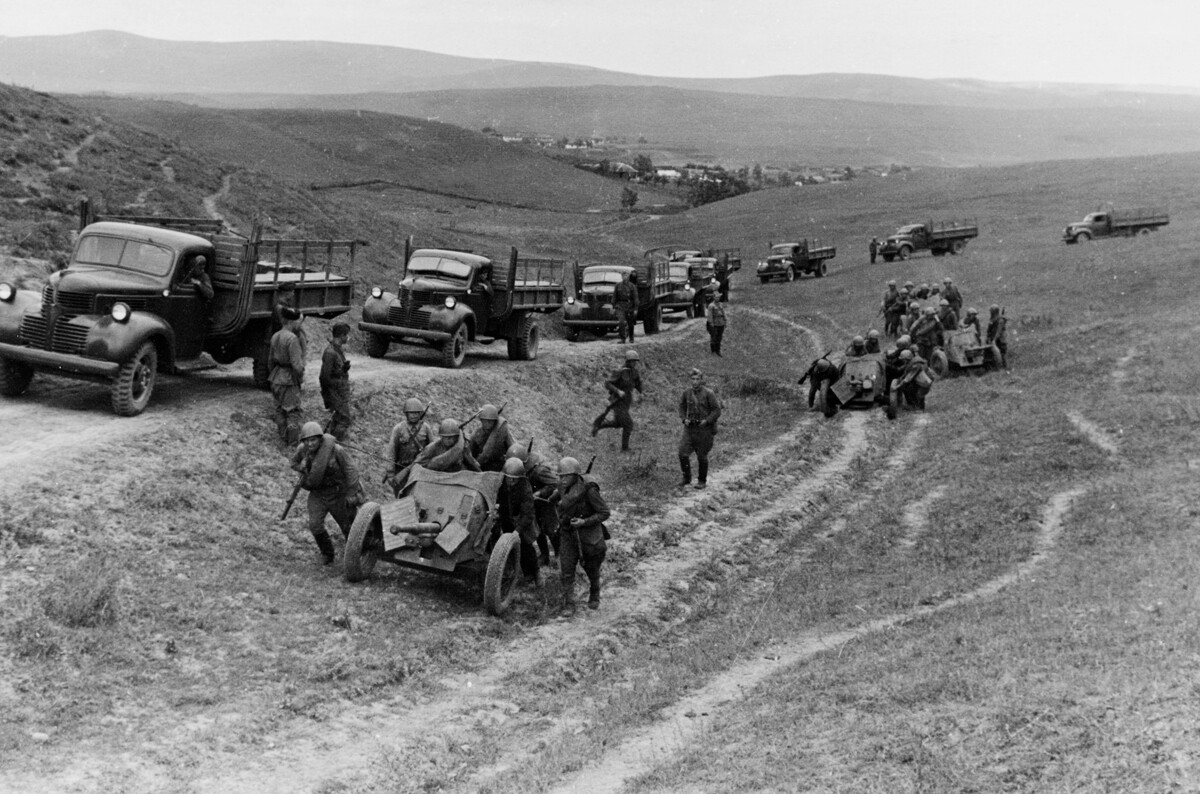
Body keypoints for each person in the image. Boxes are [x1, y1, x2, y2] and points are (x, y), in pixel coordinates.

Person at [290, 421, 364, 564]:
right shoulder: (302, 450)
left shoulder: (336, 450)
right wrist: (301, 466)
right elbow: (293, 463)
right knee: (315, 525)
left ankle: (357, 554)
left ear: (320, 439)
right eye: (307, 441)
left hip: (338, 493)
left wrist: (351, 494)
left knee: (348, 526)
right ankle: (327, 554)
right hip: (317, 494)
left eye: (313, 440)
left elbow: (351, 471)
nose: (310, 444)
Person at [556, 455, 611, 613]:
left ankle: (595, 592)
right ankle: (569, 603)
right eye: (561, 476)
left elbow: (604, 512)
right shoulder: (561, 487)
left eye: (567, 476)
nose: (563, 479)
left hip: (587, 534)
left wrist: (584, 522)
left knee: (591, 568)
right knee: (566, 569)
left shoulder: (589, 490)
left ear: (575, 475)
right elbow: (560, 500)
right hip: (568, 532)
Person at [506, 441, 561, 565]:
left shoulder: (539, 470)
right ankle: (544, 555)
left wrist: (540, 493)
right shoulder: (516, 470)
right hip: (532, 503)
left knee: (550, 530)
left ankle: (559, 554)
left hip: (545, 503)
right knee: (538, 530)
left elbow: (556, 483)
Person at [499, 457, 543, 587]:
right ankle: (526, 574)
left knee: (526, 548)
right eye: (509, 478)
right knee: (512, 549)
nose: (511, 481)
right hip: (507, 518)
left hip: (523, 522)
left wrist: (517, 531)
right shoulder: (502, 484)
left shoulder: (525, 489)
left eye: (515, 478)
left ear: (520, 478)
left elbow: (528, 514)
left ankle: (536, 574)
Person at [678, 367, 722, 490]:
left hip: (704, 429)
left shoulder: (709, 393)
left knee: (702, 455)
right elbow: (681, 407)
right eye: (693, 379)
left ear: (701, 380)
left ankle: (702, 480)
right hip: (690, 429)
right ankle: (686, 477)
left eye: (697, 379)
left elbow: (717, 410)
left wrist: (707, 421)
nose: (695, 382)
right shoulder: (686, 393)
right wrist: (683, 419)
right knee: (682, 453)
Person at [592, 349, 644, 452]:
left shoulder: (635, 372)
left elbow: (638, 384)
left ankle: (599, 426)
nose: (634, 363)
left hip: (627, 401)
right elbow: (608, 384)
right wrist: (618, 390)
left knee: (619, 423)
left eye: (635, 361)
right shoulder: (620, 371)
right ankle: (625, 449)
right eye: (632, 361)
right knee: (628, 424)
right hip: (617, 401)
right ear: (627, 361)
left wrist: (643, 392)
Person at [268, 306, 305, 446]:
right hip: (289, 379)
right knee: (293, 411)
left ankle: (283, 438)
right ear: (293, 322)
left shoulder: (275, 336)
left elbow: (270, 361)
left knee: (279, 410)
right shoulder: (292, 339)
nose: (299, 325)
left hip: (276, 377)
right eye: (299, 322)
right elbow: (297, 365)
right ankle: (292, 443)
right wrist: (300, 379)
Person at [385, 398, 435, 495]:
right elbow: (391, 452)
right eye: (411, 413)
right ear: (406, 414)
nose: (414, 415)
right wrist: (390, 473)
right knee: (401, 497)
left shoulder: (426, 428)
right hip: (401, 469)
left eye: (417, 413)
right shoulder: (398, 429)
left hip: (420, 469)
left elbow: (432, 449)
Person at [319, 321, 353, 440]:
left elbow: (334, 372)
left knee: (338, 418)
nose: (348, 338)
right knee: (344, 419)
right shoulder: (330, 352)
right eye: (346, 335)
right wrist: (329, 395)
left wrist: (343, 370)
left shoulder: (337, 350)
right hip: (334, 393)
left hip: (339, 392)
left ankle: (329, 441)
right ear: (342, 335)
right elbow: (324, 377)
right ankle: (335, 443)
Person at [413, 419, 482, 473]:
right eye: (446, 437)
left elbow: (471, 462)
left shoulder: (462, 447)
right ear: (441, 437)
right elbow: (419, 463)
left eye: (452, 437)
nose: (449, 440)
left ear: (457, 437)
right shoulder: (432, 447)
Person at [468, 403, 514, 471]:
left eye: (490, 421)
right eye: (485, 420)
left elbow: (512, 448)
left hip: (501, 465)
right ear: (481, 420)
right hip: (483, 467)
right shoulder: (476, 434)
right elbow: (470, 454)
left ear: (495, 421)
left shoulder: (501, 432)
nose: (487, 423)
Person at [272, 283, 308, 357]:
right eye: (292, 292)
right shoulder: (280, 307)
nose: (293, 294)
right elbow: (284, 324)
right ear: (287, 294)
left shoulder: (285, 305)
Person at [613, 270, 639, 344]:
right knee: (621, 322)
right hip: (620, 306)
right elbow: (614, 297)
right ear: (621, 277)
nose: (625, 277)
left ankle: (631, 338)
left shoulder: (632, 286)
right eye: (623, 276)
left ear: (628, 277)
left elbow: (635, 298)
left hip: (629, 306)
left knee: (630, 323)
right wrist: (614, 306)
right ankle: (622, 338)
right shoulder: (618, 286)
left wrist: (635, 309)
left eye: (626, 276)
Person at [987, 304, 1008, 369]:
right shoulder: (993, 319)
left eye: (992, 311)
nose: (991, 313)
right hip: (994, 339)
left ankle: (1004, 367)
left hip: (1001, 339)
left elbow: (999, 331)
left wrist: (994, 339)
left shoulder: (1000, 320)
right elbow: (990, 330)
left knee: (1002, 353)